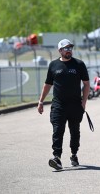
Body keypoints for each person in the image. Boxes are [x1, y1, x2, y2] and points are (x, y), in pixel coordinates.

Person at [37, 39, 90, 170]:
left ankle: (74, 154)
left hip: (75, 105)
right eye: (66, 48)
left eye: (70, 48)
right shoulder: (53, 65)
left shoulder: (79, 64)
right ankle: (57, 157)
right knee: (57, 130)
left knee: (74, 132)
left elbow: (87, 84)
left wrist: (84, 102)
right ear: (60, 50)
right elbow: (48, 84)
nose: (69, 50)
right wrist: (41, 101)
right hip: (58, 105)